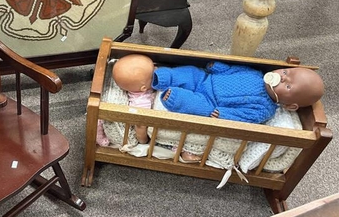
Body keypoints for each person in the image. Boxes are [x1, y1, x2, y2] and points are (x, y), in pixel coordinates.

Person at [111, 54, 325, 157]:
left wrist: (222, 114)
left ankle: (173, 96)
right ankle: (158, 77)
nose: (282, 78)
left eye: (287, 87)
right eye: (286, 73)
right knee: (187, 73)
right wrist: (219, 67)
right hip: (205, 79)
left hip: (211, 104)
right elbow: (233, 70)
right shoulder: (256, 74)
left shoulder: (264, 108)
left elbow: (244, 118)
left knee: (193, 105)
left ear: (290, 106)